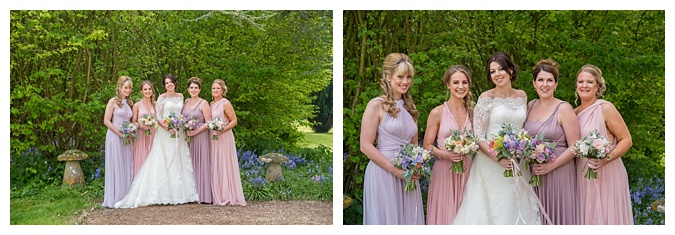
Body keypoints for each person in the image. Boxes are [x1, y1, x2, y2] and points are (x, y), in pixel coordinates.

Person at [453, 52, 541, 225]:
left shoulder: (522, 96)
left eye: (501, 69)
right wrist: (498, 158)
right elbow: (478, 136)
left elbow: (522, 128)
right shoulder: (486, 98)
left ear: (510, 69)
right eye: (492, 71)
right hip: (491, 163)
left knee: (517, 209)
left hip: (518, 162)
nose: (497, 74)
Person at [114, 74, 199, 208]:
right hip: (165, 132)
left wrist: (180, 125)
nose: (169, 85)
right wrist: (167, 127)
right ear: (164, 86)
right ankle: (162, 192)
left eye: (171, 82)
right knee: (163, 159)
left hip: (179, 132)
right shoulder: (161, 98)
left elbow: (182, 114)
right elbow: (158, 116)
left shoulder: (181, 96)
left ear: (175, 83)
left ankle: (182, 193)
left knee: (179, 158)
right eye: (166, 83)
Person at [361, 53, 424, 225]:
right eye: (400, 76)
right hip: (383, 173)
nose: (405, 81)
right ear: (388, 77)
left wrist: (416, 165)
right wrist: (395, 171)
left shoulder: (411, 109)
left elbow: (414, 145)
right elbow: (365, 145)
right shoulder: (376, 105)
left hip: (408, 174)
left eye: (409, 77)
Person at [574, 64, 633, 224]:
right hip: (583, 174)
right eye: (581, 82)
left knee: (608, 215)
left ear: (598, 86)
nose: (584, 86)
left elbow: (626, 140)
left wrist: (605, 159)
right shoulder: (575, 113)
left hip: (608, 172)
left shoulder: (605, 108)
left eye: (589, 82)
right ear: (576, 85)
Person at [523, 59, 580, 225]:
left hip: (559, 173)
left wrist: (551, 166)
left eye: (549, 80)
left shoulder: (564, 108)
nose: (545, 84)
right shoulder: (531, 105)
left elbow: (575, 146)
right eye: (540, 80)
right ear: (534, 83)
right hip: (535, 174)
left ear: (556, 84)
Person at [424, 65, 474, 225]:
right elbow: (427, 146)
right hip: (444, 171)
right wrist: (446, 154)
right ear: (448, 84)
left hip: (468, 170)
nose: (461, 87)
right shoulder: (437, 112)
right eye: (456, 82)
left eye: (464, 82)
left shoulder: (473, 112)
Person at [210, 79, 246, 206]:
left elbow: (234, 120)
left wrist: (222, 129)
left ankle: (227, 194)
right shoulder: (212, 103)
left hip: (224, 136)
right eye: (213, 88)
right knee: (216, 163)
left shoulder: (225, 103)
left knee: (224, 163)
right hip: (214, 137)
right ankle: (218, 193)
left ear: (223, 90)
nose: (215, 90)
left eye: (218, 88)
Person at [102, 76, 134, 208]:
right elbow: (106, 121)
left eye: (129, 88)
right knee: (117, 164)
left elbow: (131, 120)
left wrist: (131, 131)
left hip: (127, 137)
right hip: (115, 136)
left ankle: (125, 196)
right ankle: (115, 197)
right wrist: (120, 134)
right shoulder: (113, 101)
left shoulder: (130, 103)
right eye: (125, 88)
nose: (127, 90)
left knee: (126, 163)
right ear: (119, 88)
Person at [182, 77, 213, 204]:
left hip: (200, 136)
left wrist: (196, 131)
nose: (193, 90)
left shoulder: (203, 103)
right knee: (190, 164)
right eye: (191, 87)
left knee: (201, 163)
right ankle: (191, 194)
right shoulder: (186, 101)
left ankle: (203, 195)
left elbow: (209, 122)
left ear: (199, 89)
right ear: (188, 89)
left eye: (196, 88)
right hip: (188, 137)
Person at [131, 80, 157, 177]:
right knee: (141, 159)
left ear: (152, 90)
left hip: (153, 134)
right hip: (141, 135)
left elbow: (158, 119)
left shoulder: (155, 104)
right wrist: (141, 125)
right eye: (145, 89)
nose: (147, 91)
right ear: (141, 91)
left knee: (152, 159)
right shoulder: (137, 105)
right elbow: (133, 121)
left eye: (149, 89)